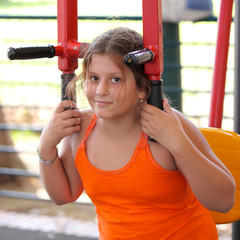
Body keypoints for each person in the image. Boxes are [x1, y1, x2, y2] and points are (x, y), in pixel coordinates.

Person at [38, 27, 236, 240]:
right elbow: (63, 195)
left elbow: (223, 202)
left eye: (115, 80)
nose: (100, 90)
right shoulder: (80, 128)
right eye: (94, 78)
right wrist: (46, 146)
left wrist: (178, 143)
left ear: (142, 88)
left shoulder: (167, 124)